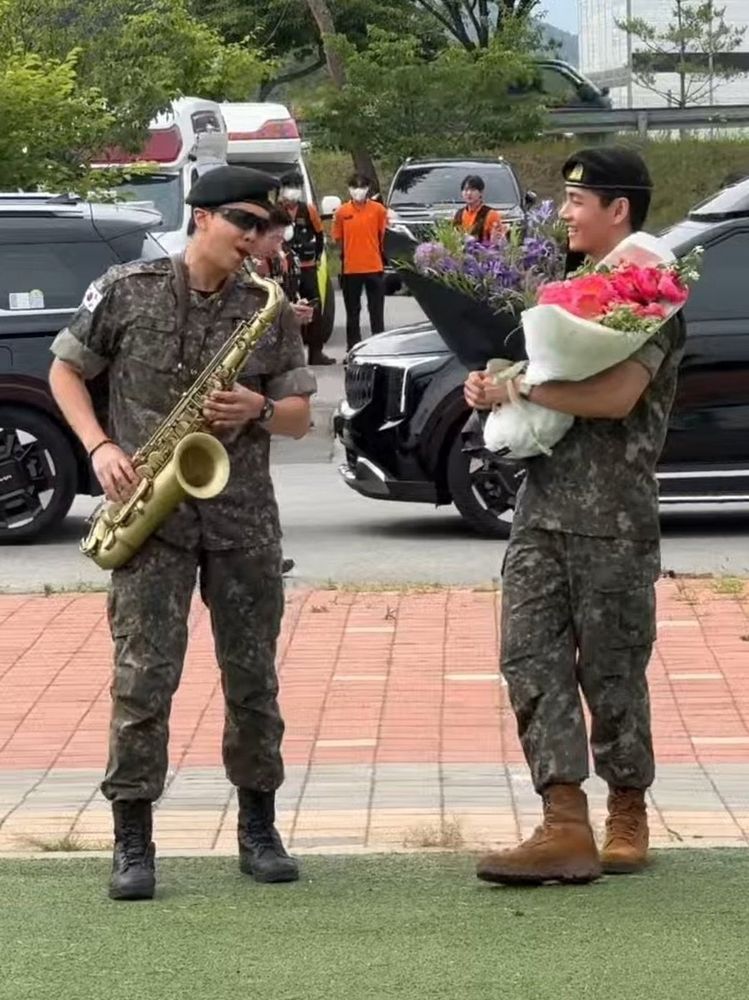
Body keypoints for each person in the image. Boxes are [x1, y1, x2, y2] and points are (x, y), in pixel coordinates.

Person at [48, 165, 317, 901]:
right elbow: (66, 371)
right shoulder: (126, 288)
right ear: (201, 217)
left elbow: (301, 417)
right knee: (143, 680)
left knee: (253, 681)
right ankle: (132, 841)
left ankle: (258, 829)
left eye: (266, 226)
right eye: (244, 222)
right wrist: (99, 447)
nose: (257, 238)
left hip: (243, 519)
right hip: (151, 518)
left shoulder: (266, 304)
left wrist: (260, 410)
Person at [464, 147, 686, 886]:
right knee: (528, 657)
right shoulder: (570, 293)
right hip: (542, 510)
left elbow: (615, 398)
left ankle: (627, 807)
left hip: (613, 517)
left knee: (614, 668)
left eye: (575, 201)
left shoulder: (650, 297)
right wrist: (495, 385)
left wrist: (521, 389)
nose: (563, 213)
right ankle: (563, 821)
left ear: (618, 209)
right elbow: (544, 380)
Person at [278, 170, 335, 366]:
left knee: (314, 308)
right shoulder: (276, 211)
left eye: (296, 187)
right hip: (286, 268)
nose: (293, 191)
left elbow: (319, 234)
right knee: (287, 309)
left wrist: (317, 257)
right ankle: (289, 356)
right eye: (289, 187)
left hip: (307, 265)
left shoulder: (308, 210)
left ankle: (316, 352)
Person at [331, 173, 388, 351]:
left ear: (368, 189)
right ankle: (353, 347)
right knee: (352, 312)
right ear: (349, 189)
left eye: (362, 187)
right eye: (354, 187)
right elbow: (337, 238)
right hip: (351, 268)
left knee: (376, 310)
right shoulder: (342, 212)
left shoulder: (378, 210)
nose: (358, 191)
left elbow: (384, 235)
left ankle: (380, 346)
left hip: (374, 266)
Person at [454, 174, 505, 242]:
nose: (469, 193)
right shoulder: (459, 214)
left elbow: (499, 240)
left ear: (481, 192)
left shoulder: (491, 214)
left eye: (473, 190)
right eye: (466, 190)